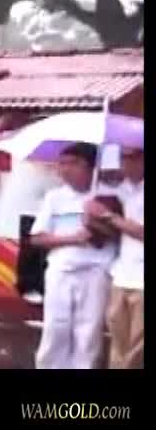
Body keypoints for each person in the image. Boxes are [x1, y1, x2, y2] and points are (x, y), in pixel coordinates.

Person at [30, 143, 117, 369]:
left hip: (96, 273)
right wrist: (73, 239)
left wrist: (99, 220)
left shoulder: (108, 196)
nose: (65, 169)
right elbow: (37, 238)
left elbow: (118, 236)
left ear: (91, 167)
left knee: (88, 331)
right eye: (62, 163)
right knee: (55, 328)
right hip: (60, 271)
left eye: (73, 163)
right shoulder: (54, 197)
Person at [85, 146, 144, 369]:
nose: (126, 163)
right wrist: (93, 220)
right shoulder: (124, 191)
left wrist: (108, 216)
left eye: (133, 157)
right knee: (118, 344)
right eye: (123, 157)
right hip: (122, 274)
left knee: (137, 347)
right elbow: (117, 232)